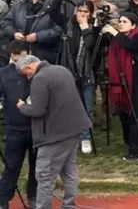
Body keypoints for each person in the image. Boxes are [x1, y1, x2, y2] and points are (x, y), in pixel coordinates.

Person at [15, 54, 92, 209]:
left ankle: (44, 207)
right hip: (74, 128)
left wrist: (22, 106)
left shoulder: (40, 79)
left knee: (44, 175)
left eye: (26, 74)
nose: (28, 78)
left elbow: (37, 110)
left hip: (54, 135)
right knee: (69, 170)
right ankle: (69, 205)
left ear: (29, 67)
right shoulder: (62, 70)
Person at [102, 12, 138, 162]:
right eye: (120, 21)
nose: (121, 23)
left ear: (133, 25)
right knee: (125, 116)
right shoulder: (117, 40)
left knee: (136, 116)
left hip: (136, 83)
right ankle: (130, 145)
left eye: (125, 21)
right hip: (121, 84)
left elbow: (130, 46)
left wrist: (114, 32)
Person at [0, 41, 37, 209]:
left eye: (22, 60)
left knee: (37, 167)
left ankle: (34, 197)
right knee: (11, 166)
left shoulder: (38, 72)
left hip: (36, 128)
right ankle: (3, 200)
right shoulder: (3, 74)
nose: (19, 66)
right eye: (15, 61)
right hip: (14, 128)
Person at [64, 0, 100, 155]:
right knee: (71, 107)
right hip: (70, 71)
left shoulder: (94, 28)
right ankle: (72, 136)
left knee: (87, 107)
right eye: (80, 11)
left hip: (87, 72)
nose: (82, 15)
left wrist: (85, 27)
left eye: (86, 12)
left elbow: (91, 44)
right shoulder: (70, 25)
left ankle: (86, 137)